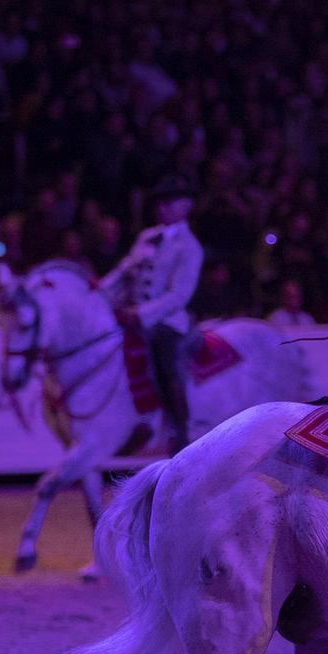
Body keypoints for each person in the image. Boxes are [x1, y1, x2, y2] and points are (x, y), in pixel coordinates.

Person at [99, 173, 204, 453]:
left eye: (169, 202)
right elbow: (124, 270)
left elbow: (179, 294)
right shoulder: (147, 236)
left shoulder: (190, 247)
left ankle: (179, 429)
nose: (162, 208)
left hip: (165, 319)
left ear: (185, 206)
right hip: (131, 313)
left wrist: (143, 313)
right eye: (159, 202)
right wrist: (99, 292)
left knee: (165, 362)